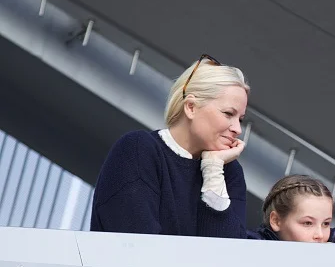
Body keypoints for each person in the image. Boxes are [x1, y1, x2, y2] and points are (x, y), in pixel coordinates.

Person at [90, 54, 250, 238]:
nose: (237, 129)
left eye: (241, 119)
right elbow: (136, 246)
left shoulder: (228, 171)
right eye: (228, 113)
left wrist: (213, 170)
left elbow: (228, 256)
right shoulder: (137, 150)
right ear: (191, 107)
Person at [248, 175, 335, 243]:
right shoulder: (247, 250)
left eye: (326, 223)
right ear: (276, 221)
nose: (320, 235)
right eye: (308, 223)